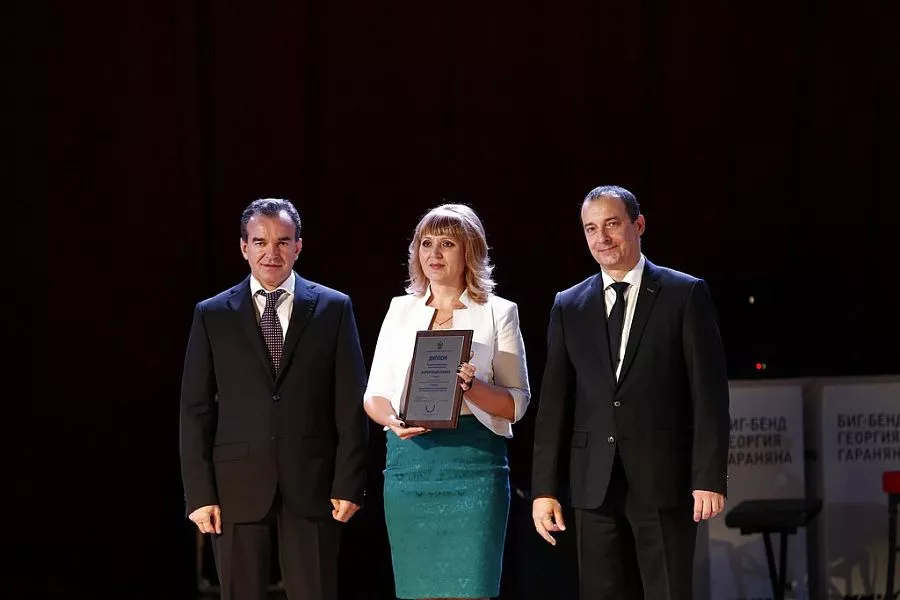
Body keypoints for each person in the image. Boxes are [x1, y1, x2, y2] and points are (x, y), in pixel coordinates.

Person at [530, 185, 730, 600]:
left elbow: (709, 396)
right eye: (591, 228)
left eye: (611, 224)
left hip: (664, 480)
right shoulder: (568, 305)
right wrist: (544, 489)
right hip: (593, 484)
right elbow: (554, 404)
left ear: (638, 225)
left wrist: (709, 477)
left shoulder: (684, 293)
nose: (601, 238)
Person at [179, 198, 368, 600]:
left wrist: (349, 482)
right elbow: (195, 410)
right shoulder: (212, 314)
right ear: (243, 247)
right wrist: (199, 494)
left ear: (298, 246)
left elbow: (351, 405)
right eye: (260, 242)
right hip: (235, 488)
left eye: (283, 241)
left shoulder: (334, 308)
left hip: (315, 486)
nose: (272, 252)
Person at [363, 203, 531, 600]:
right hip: (410, 464)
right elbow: (375, 393)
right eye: (426, 243)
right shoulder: (399, 309)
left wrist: (472, 388)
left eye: (447, 244)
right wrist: (392, 421)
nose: (434, 253)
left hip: (474, 466)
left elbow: (516, 404)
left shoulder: (499, 312)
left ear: (469, 251)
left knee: (471, 590)